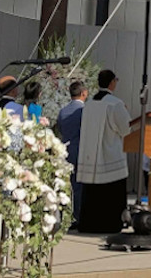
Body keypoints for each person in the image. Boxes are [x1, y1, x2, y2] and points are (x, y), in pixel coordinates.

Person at [78, 69, 132, 233]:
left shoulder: (89, 104)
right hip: (109, 155)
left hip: (90, 157)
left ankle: (88, 224)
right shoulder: (115, 104)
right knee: (110, 195)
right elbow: (126, 129)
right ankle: (110, 224)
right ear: (112, 83)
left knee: (92, 194)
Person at [57, 80, 88, 226]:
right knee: (79, 186)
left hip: (65, 149)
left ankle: (65, 215)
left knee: (66, 185)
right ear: (84, 93)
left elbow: (60, 129)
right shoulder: (84, 111)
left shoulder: (63, 111)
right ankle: (77, 216)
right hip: (81, 149)